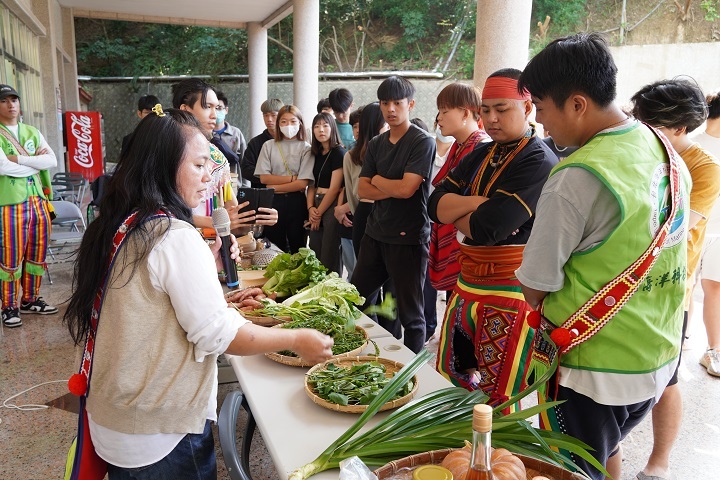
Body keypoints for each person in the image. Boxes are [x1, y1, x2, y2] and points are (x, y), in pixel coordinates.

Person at [63, 108, 333, 479]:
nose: (210, 176)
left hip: (116, 417)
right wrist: (298, 339)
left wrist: (213, 291)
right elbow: (218, 334)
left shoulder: (123, 222)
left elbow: (144, 306)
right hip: (159, 431)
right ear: (162, 166)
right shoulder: (173, 235)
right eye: (199, 165)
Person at [515, 33, 691, 480]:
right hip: (656, 354)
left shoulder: (576, 175)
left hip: (590, 370)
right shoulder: (665, 151)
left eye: (540, 105)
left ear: (577, 104)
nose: (539, 121)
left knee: (573, 469)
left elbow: (536, 282)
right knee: (605, 451)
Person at [428, 70, 557, 403]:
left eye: (502, 109)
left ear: (528, 108)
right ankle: (457, 447)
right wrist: (476, 204)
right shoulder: (482, 153)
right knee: (452, 376)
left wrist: (458, 213)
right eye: (486, 110)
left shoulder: (538, 160)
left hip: (509, 292)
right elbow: (433, 204)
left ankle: (490, 455)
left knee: (496, 394)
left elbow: (490, 229)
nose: (492, 118)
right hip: (467, 284)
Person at [631, 78, 720, 480]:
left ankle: (659, 463)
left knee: (665, 378)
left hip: (669, 288)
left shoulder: (704, 168)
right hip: (623, 281)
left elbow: (675, 227)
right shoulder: (640, 150)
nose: (637, 127)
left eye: (650, 122)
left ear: (680, 128)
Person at [350, 76, 435, 354]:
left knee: (412, 316)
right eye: (385, 103)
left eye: (397, 103)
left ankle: (413, 374)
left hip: (409, 237)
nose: (391, 109)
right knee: (355, 299)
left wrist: (379, 181)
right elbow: (363, 189)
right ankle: (365, 353)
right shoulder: (375, 143)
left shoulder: (422, 141)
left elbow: (408, 189)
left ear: (410, 104)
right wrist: (393, 186)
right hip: (375, 233)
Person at [172, 79, 277, 235]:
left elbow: (233, 216)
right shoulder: (164, 150)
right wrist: (213, 222)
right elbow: (158, 209)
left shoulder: (217, 158)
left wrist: (256, 218)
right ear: (185, 109)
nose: (215, 115)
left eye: (218, 108)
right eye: (207, 107)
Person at [427, 84, 489, 343]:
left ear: (465, 113)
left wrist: (451, 205)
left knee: (465, 324)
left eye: (444, 111)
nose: (438, 118)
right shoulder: (459, 146)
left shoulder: (481, 147)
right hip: (456, 240)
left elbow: (477, 203)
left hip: (468, 247)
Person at [0, 84, 58, 328]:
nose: (11, 104)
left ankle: (30, 299)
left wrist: (20, 159)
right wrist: (36, 163)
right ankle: (8, 305)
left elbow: (52, 160)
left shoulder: (32, 131)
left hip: (39, 202)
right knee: (11, 255)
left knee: (37, 253)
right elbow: (3, 167)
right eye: (4, 100)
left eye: (14, 99)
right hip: (10, 204)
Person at [255, 104, 314, 253]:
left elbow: (303, 183)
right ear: (278, 124)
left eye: (293, 121)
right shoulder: (268, 145)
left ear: (300, 123)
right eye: (284, 121)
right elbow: (263, 178)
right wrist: (292, 178)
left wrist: (274, 186)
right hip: (273, 202)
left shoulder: (306, 147)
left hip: (297, 202)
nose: (288, 125)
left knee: (298, 245)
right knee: (274, 246)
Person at [694, 90, 720, 377]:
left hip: (717, 231)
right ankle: (683, 339)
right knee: (686, 286)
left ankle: (714, 348)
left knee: (714, 287)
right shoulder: (695, 145)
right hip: (692, 228)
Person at [307, 112, 346, 274]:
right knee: (315, 248)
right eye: (316, 126)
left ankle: (331, 293)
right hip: (315, 203)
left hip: (331, 203)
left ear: (332, 128)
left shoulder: (339, 152)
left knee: (330, 252)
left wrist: (318, 213)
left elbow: (335, 188)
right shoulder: (315, 153)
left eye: (325, 125)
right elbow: (311, 184)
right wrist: (310, 208)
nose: (320, 130)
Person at [335, 106, 363, 280]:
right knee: (351, 269)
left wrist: (344, 208)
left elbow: (364, 191)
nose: (357, 130)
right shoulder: (350, 153)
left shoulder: (376, 152)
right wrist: (339, 209)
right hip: (346, 219)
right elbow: (345, 186)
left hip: (361, 217)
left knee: (362, 274)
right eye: (354, 126)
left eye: (361, 126)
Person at [241, 98, 284, 189]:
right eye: (265, 115)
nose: (269, 119)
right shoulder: (255, 143)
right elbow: (246, 170)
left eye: (273, 115)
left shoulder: (289, 141)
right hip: (262, 191)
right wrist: (267, 177)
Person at [213, 90, 247, 178]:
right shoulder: (204, 134)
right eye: (213, 108)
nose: (216, 112)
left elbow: (244, 162)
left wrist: (245, 186)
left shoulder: (236, 133)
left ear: (226, 110)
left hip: (234, 183)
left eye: (219, 108)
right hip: (211, 185)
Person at [120, 94, 161, 158]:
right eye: (147, 112)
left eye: (154, 113)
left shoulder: (165, 138)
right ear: (139, 114)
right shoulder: (129, 140)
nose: (151, 116)